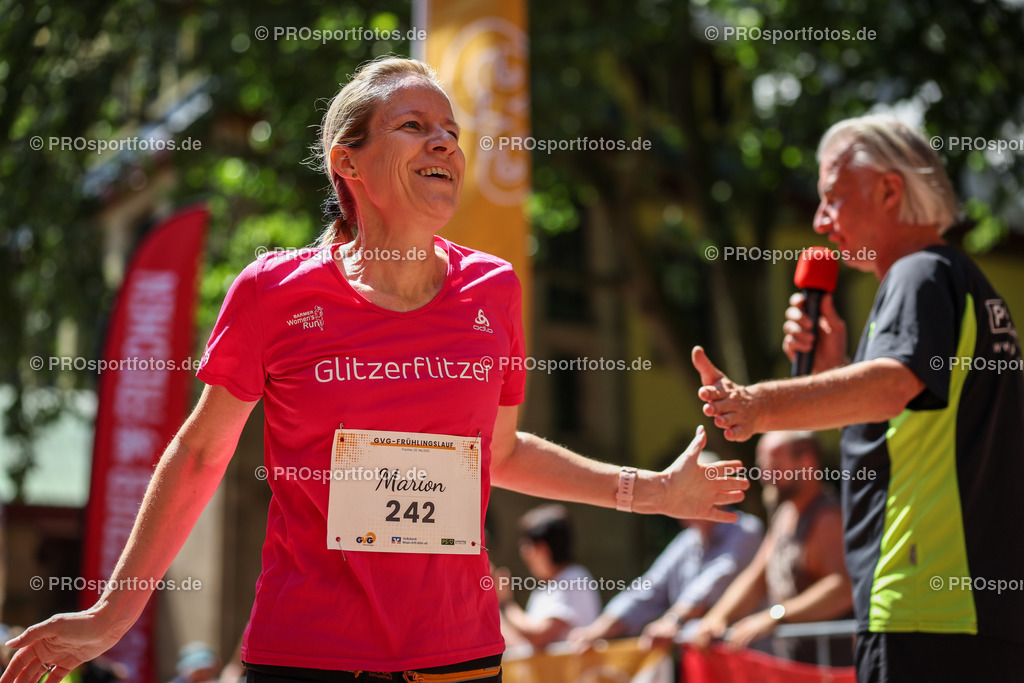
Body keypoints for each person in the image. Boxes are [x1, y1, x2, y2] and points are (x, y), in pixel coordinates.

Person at [1, 57, 748, 683]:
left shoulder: (494, 288)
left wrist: (647, 490)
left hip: (458, 655)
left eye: (452, 133)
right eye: (415, 126)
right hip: (307, 654)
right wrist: (115, 611)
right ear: (347, 162)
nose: (445, 145)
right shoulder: (271, 292)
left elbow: (502, 451)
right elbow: (199, 453)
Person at [692, 114, 1024, 682]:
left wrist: (757, 403)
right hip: (975, 611)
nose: (821, 221)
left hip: (923, 611)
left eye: (832, 198)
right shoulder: (963, 281)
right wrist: (835, 371)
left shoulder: (916, 274)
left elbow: (893, 387)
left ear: (889, 190)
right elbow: (914, 421)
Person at [569, 453, 764, 651]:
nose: (679, 500)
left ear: (718, 491)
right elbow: (649, 588)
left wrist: (672, 621)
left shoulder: (746, 530)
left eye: (689, 491)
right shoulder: (687, 540)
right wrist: (598, 630)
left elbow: (713, 583)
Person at [689, 432, 853, 665]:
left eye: (774, 462)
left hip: (833, 668)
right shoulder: (785, 515)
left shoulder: (827, 519)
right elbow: (757, 577)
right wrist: (717, 618)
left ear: (806, 462)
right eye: (762, 463)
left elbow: (843, 588)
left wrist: (774, 615)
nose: (765, 473)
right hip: (798, 667)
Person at [495, 505, 601, 648]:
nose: (525, 556)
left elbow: (539, 636)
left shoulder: (574, 579)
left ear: (542, 549)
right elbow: (521, 645)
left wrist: (506, 602)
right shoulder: (543, 590)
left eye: (527, 547)